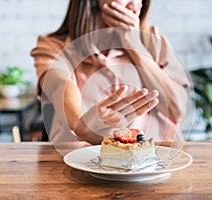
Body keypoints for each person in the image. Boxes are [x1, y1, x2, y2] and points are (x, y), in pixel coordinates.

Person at [31, 0, 190, 144]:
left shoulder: (153, 40)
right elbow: (59, 85)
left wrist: (134, 44)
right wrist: (81, 124)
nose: (135, 4)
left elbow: (177, 110)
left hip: (157, 163)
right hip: (80, 167)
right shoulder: (54, 47)